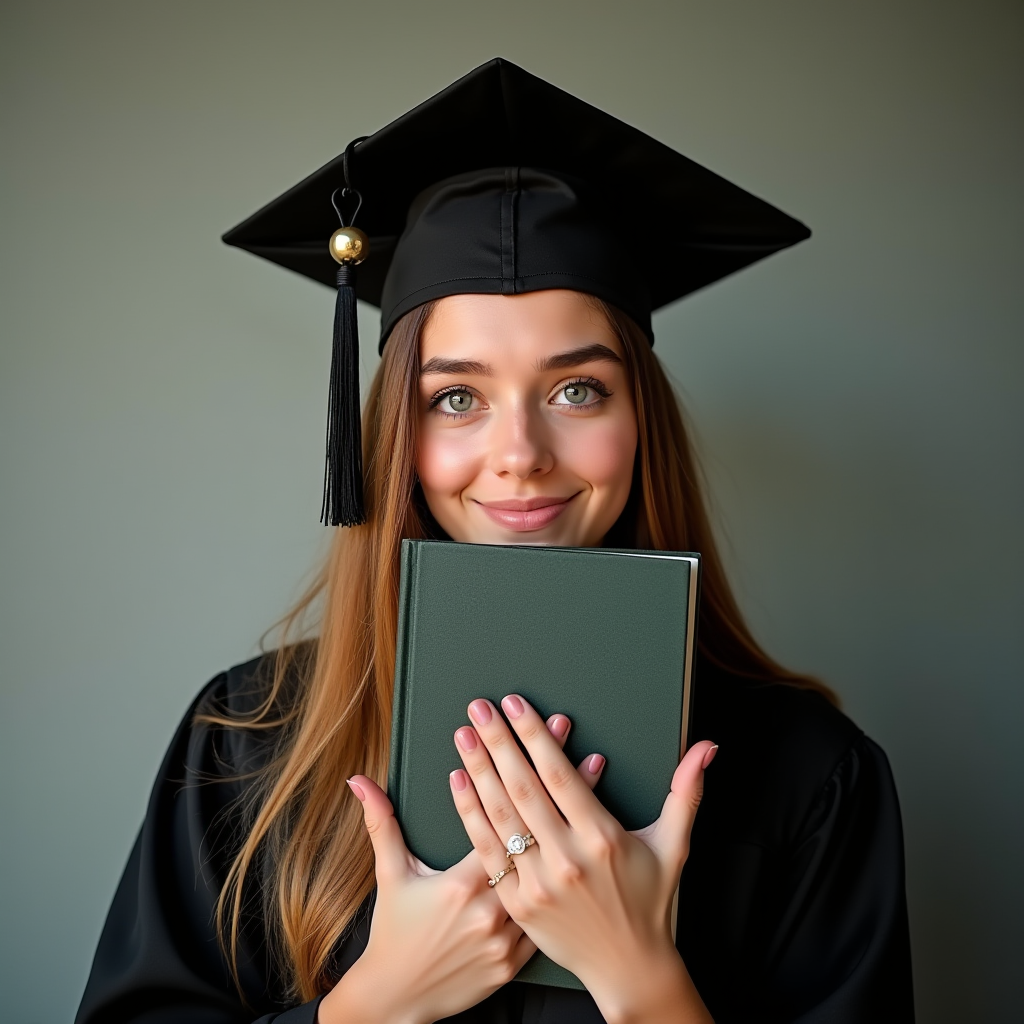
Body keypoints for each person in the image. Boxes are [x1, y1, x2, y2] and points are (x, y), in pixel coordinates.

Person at [75, 59, 914, 1024]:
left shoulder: (808, 774)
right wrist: (374, 1006)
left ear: (643, 422)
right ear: (395, 435)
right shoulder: (249, 740)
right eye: (456, 398)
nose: (519, 454)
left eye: (576, 389)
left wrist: (641, 980)